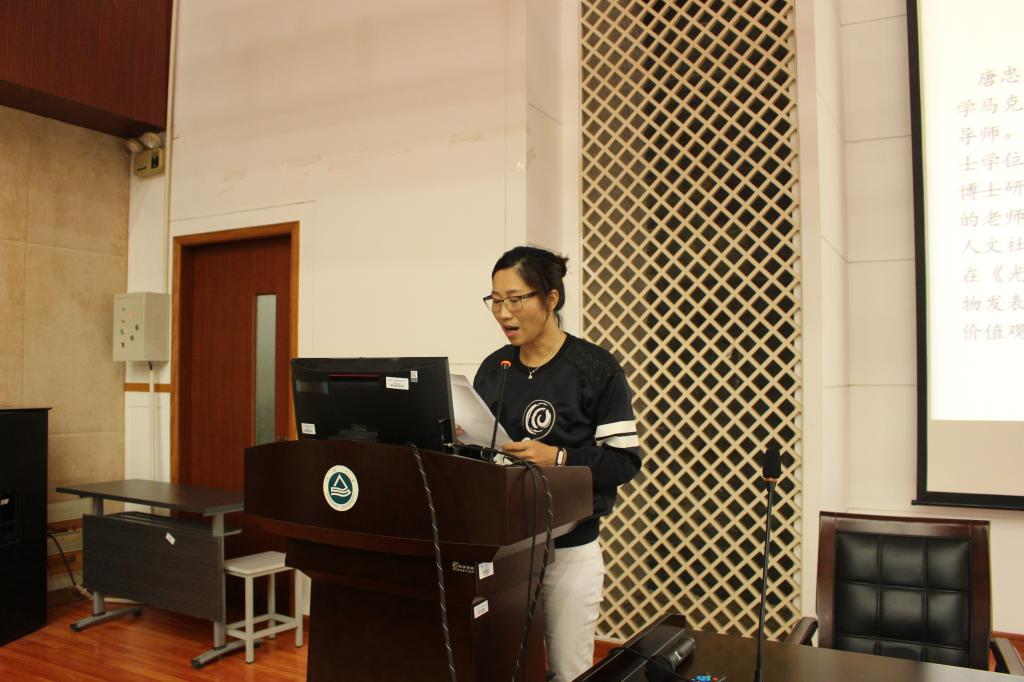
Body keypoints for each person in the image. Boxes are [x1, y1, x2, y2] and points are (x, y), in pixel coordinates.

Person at [473, 245, 643, 681]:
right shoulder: (494, 370)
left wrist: (559, 457)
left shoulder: (595, 368)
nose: (503, 313)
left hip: (570, 550)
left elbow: (624, 462)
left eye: (516, 299)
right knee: (505, 669)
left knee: (568, 673)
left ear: (551, 298)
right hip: (505, 553)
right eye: (495, 300)